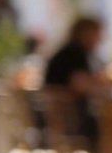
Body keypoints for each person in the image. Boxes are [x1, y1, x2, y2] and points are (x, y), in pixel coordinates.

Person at [41, 16, 105, 146]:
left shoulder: (69, 51)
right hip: (71, 119)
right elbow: (80, 86)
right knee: (109, 123)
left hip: (55, 118)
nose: (100, 39)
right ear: (86, 33)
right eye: (97, 34)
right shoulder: (74, 53)